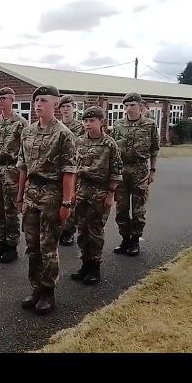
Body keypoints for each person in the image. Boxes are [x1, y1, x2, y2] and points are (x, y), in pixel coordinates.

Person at [16, 85, 76, 315]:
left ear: (55, 104)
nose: (37, 104)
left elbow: (69, 171)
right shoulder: (27, 132)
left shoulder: (64, 134)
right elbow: (22, 167)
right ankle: (36, 289)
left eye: (43, 100)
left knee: (48, 246)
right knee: (32, 245)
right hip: (32, 193)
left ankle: (48, 293)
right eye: (36, 100)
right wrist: (20, 196)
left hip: (52, 194)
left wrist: (67, 203)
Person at [70, 106, 123, 285]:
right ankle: (85, 265)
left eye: (92, 121)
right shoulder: (79, 142)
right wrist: (73, 192)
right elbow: (75, 169)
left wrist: (111, 194)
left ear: (101, 122)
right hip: (82, 192)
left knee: (95, 231)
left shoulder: (109, 144)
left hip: (100, 193)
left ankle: (95, 268)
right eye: (85, 121)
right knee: (82, 230)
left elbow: (116, 170)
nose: (88, 124)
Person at [111, 92, 159, 256]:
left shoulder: (150, 125)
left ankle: (135, 241)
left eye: (132, 105)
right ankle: (125, 239)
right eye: (126, 105)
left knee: (138, 210)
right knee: (121, 208)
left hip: (140, 171)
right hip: (122, 171)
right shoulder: (118, 125)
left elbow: (154, 149)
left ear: (140, 106)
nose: (129, 108)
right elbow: (113, 150)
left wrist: (152, 171)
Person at [0, 87, 28, 263]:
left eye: (3, 98)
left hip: (12, 170)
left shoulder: (21, 123)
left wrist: (22, 178)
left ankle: (12, 246)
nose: (0, 101)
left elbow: (25, 152)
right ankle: (1, 242)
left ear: (12, 100)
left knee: (10, 210)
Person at [57, 94, 84, 247]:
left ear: (74, 108)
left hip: (75, 168)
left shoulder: (80, 127)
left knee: (72, 200)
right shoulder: (57, 125)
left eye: (68, 106)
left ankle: (69, 232)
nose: (65, 109)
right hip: (59, 168)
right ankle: (60, 229)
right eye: (63, 107)